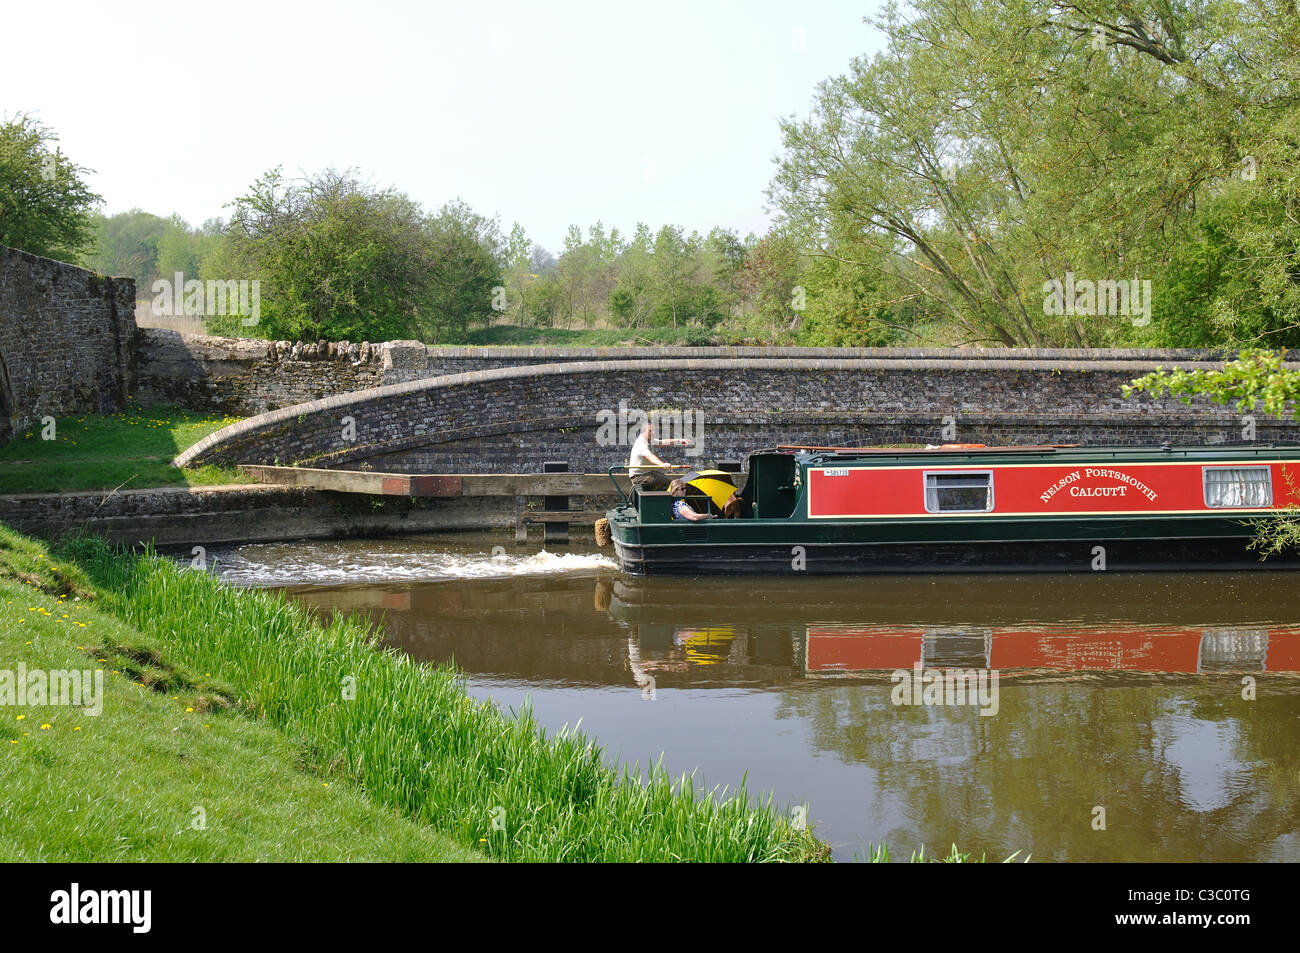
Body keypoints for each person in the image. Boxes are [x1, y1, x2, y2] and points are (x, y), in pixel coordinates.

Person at [628, 421, 688, 491]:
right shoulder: (641, 443)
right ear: (643, 431)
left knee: (669, 481)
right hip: (639, 477)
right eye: (650, 431)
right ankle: (673, 500)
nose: (653, 432)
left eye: (654, 431)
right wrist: (662, 464)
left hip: (648, 474)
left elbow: (662, 442)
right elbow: (650, 456)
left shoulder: (649, 440)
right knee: (673, 484)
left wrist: (679, 441)